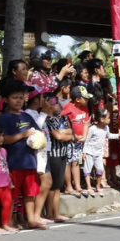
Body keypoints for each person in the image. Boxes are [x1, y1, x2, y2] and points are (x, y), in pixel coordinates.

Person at [0, 80, 44, 229]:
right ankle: (8, 221)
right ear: (5, 100)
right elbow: (1, 140)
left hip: (29, 161)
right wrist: (22, 134)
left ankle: (31, 219)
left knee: (30, 193)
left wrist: (37, 139)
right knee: (11, 194)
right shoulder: (3, 118)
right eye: (14, 98)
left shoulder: (27, 117)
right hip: (13, 163)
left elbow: (37, 132)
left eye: (20, 97)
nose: (18, 101)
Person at [24, 86, 55, 225]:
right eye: (43, 98)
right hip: (37, 153)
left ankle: (37, 214)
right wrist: (43, 113)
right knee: (46, 182)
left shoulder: (36, 112)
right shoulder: (29, 113)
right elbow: (36, 130)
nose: (45, 100)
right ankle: (35, 215)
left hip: (44, 151)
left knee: (47, 182)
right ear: (36, 99)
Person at [61, 86, 93, 197]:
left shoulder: (85, 108)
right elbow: (65, 123)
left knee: (76, 162)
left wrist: (84, 136)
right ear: (78, 99)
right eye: (85, 98)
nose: (87, 100)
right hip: (70, 140)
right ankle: (68, 187)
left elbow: (85, 123)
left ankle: (78, 186)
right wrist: (73, 136)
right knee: (68, 163)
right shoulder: (68, 108)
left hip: (79, 141)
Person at [45, 94, 73, 222]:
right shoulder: (47, 120)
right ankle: (49, 213)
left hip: (63, 153)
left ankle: (55, 212)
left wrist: (65, 134)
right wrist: (65, 134)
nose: (59, 105)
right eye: (56, 103)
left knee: (58, 186)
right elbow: (58, 136)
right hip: (53, 155)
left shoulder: (60, 118)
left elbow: (70, 132)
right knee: (53, 185)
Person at [82, 108, 119, 196]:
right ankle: (89, 187)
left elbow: (108, 135)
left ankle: (98, 186)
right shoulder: (92, 129)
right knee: (87, 169)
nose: (110, 119)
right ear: (102, 119)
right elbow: (87, 141)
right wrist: (84, 152)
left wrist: (118, 136)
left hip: (99, 153)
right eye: (108, 118)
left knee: (100, 170)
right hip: (90, 152)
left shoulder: (106, 128)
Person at [0, 123, 17, 235]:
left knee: (7, 203)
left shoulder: (3, 150)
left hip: (5, 183)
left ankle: (5, 224)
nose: (2, 138)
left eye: (3, 135)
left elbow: (5, 166)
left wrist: (10, 180)